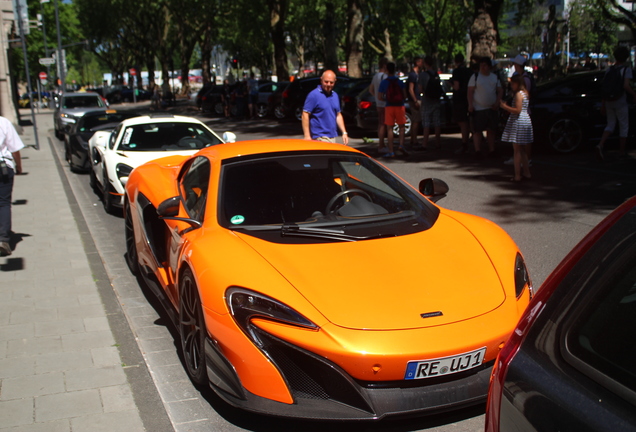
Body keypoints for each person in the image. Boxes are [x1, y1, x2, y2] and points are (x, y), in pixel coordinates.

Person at [596, 46, 636, 160]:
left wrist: (603, 104)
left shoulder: (609, 70)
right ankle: (621, 151)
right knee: (624, 125)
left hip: (609, 101)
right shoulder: (626, 70)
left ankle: (600, 144)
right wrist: (634, 94)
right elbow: (626, 86)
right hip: (620, 100)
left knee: (610, 124)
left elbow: (604, 88)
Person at [302, 70, 349, 145]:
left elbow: (338, 115)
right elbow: (305, 114)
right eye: (326, 82)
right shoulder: (314, 95)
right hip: (319, 136)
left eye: (331, 82)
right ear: (321, 80)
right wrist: (307, 136)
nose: (328, 84)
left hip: (332, 136)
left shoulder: (335, 96)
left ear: (335, 81)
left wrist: (344, 132)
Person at [500, 75, 533, 182]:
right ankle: (526, 172)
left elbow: (517, 110)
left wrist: (505, 107)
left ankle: (517, 175)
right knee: (522, 149)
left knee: (517, 150)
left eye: (513, 83)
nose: (512, 86)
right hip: (525, 120)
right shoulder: (525, 93)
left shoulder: (519, 94)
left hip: (519, 121)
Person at [467, 57, 503, 156]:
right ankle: (477, 150)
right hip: (478, 108)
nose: (482, 67)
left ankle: (492, 150)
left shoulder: (494, 77)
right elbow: (470, 91)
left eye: (485, 65)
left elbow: (500, 90)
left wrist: (497, 102)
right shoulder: (475, 76)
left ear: (489, 67)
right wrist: (470, 104)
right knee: (477, 130)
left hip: (491, 108)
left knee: (491, 130)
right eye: (481, 65)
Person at [0, 116, 24, 256]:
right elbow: (15, 148)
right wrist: (19, 167)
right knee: (3, 203)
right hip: (2, 166)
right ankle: (3, 239)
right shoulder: (3, 122)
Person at [504, 54, 534, 165]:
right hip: (525, 114)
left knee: (519, 142)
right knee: (523, 140)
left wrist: (504, 106)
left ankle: (522, 159)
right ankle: (525, 160)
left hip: (521, 115)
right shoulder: (527, 77)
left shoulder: (523, 82)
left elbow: (518, 108)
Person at [378, 62, 407, 157]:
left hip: (389, 106)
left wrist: (387, 99)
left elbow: (379, 96)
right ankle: (401, 145)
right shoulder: (400, 82)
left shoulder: (384, 82)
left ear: (387, 70)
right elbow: (405, 95)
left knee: (389, 128)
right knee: (401, 127)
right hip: (400, 106)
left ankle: (391, 151)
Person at [418, 56, 442, 150]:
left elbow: (420, 89)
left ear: (425, 63)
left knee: (426, 123)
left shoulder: (423, 75)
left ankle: (425, 143)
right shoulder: (436, 74)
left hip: (426, 101)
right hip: (436, 100)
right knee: (437, 123)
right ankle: (438, 142)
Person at [450, 53, 473, 154]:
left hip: (459, 99)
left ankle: (465, 144)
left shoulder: (457, 72)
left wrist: (450, 83)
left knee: (462, 122)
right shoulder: (469, 71)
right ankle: (469, 140)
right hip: (469, 97)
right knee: (467, 121)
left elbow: (456, 87)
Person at [369, 58, 388, 153]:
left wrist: (376, 96)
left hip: (378, 103)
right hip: (385, 103)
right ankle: (381, 145)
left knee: (381, 124)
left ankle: (382, 144)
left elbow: (370, 90)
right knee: (384, 125)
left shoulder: (375, 76)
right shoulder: (385, 77)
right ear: (385, 66)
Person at [407, 56, 423, 148]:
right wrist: (415, 100)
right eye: (421, 62)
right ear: (417, 62)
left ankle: (413, 139)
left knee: (415, 120)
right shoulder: (413, 75)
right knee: (416, 120)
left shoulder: (418, 73)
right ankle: (414, 140)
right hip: (415, 99)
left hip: (416, 98)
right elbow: (410, 89)